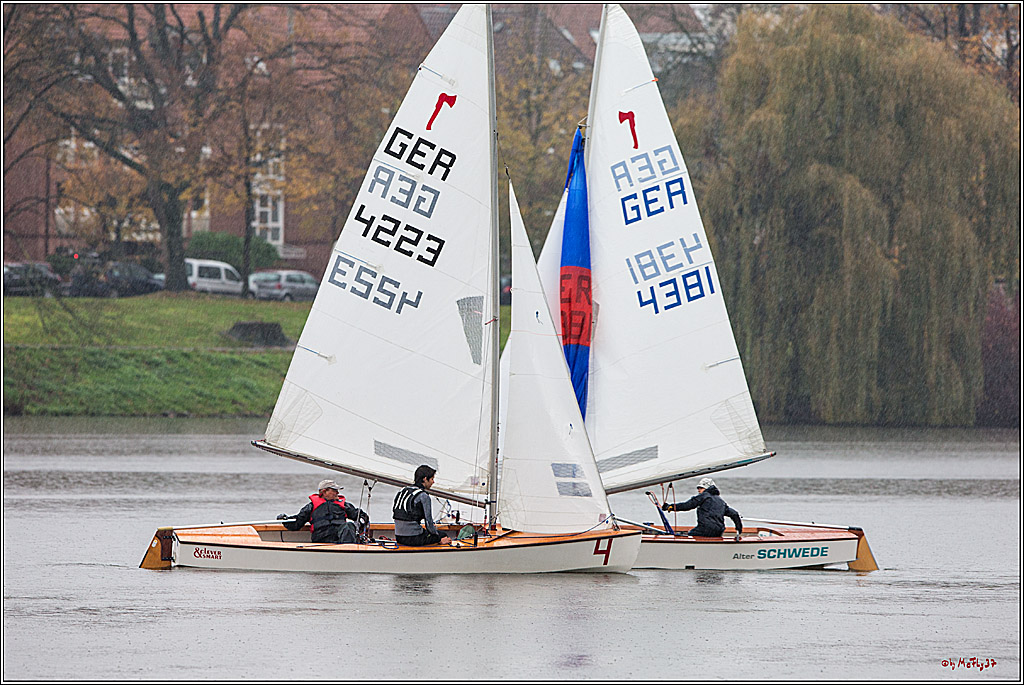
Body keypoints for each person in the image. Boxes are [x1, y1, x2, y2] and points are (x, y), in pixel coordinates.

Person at [278, 479, 369, 544]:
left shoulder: (344, 505)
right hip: (321, 541)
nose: (337, 493)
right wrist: (284, 520)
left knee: (349, 525)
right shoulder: (311, 507)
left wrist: (360, 521)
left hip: (340, 541)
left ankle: (349, 551)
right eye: (334, 490)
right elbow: (297, 523)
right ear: (324, 492)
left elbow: (360, 516)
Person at [662, 477, 743, 540]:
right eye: (698, 488)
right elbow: (734, 514)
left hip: (704, 529)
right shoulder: (720, 501)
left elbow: (687, 505)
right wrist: (739, 529)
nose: (698, 490)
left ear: (706, 488)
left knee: (687, 536)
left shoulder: (704, 496)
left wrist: (670, 507)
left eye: (700, 488)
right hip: (719, 531)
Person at [392, 465, 451, 546]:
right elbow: (429, 523)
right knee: (442, 535)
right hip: (414, 538)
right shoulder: (423, 496)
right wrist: (438, 537)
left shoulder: (403, 491)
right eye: (432, 479)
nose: (433, 482)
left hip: (398, 536)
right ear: (425, 479)